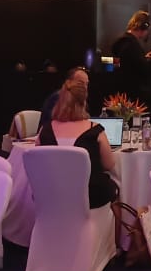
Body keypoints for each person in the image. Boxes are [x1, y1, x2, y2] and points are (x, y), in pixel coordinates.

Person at [37, 79, 118, 209]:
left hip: (51, 198)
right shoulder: (95, 130)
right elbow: (109, 164)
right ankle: (115, 222)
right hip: (91, 199)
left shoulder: (44, 131)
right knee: (115, 186)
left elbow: (38, 163)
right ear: (83, 102)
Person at [111, 11, 151, 103]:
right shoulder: (131, 44)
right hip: (133, 95)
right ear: (143, 27)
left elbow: (132, 62)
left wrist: (144, 58)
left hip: (122, 91)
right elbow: (144, 70)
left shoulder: (122, 42)